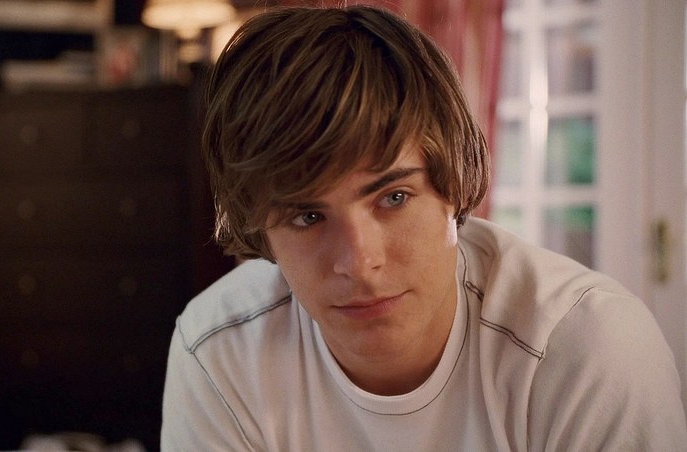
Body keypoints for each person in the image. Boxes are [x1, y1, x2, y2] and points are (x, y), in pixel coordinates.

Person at [160, 5, 687, 450]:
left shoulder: (586, 349)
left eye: (394, 197)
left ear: (452, 187)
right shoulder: (218, 353)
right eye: (308, 216)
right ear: (261, 230)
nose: (359, 262)